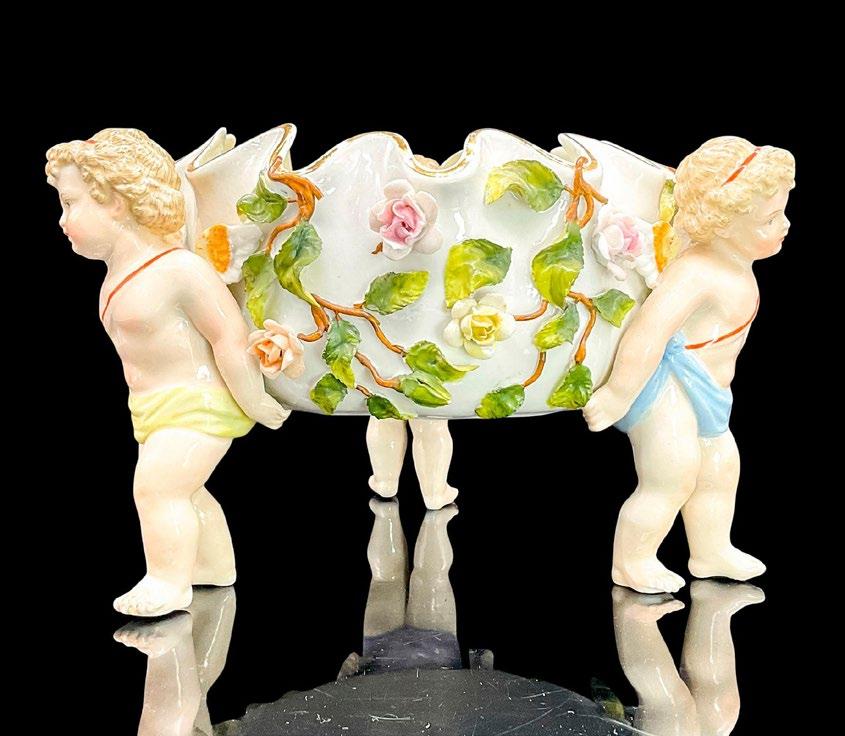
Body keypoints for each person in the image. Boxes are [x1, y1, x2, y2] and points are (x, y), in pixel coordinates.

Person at [46, 128, 289, 617]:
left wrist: (256, 400)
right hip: (153, 408)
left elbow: (228, 338)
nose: (63, 220)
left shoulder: (181, 270)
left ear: (116, 202)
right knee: (186, 488)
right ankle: (213, 568)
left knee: (158, 488)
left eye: (71, 204)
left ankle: (168, 582)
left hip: (202, 400)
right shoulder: (119, 274)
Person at [583, 136, 795, 594]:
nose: (785, 224)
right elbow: (650, 330)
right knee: (672, 473)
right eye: (769, 219)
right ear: (723, 223)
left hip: (710, 389)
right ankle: (632, 561)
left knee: (720, 467)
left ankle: (711, 549)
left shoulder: (733, 263)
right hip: (667, 381)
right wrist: (618, 393)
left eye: (781, 212)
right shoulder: (696, 271)